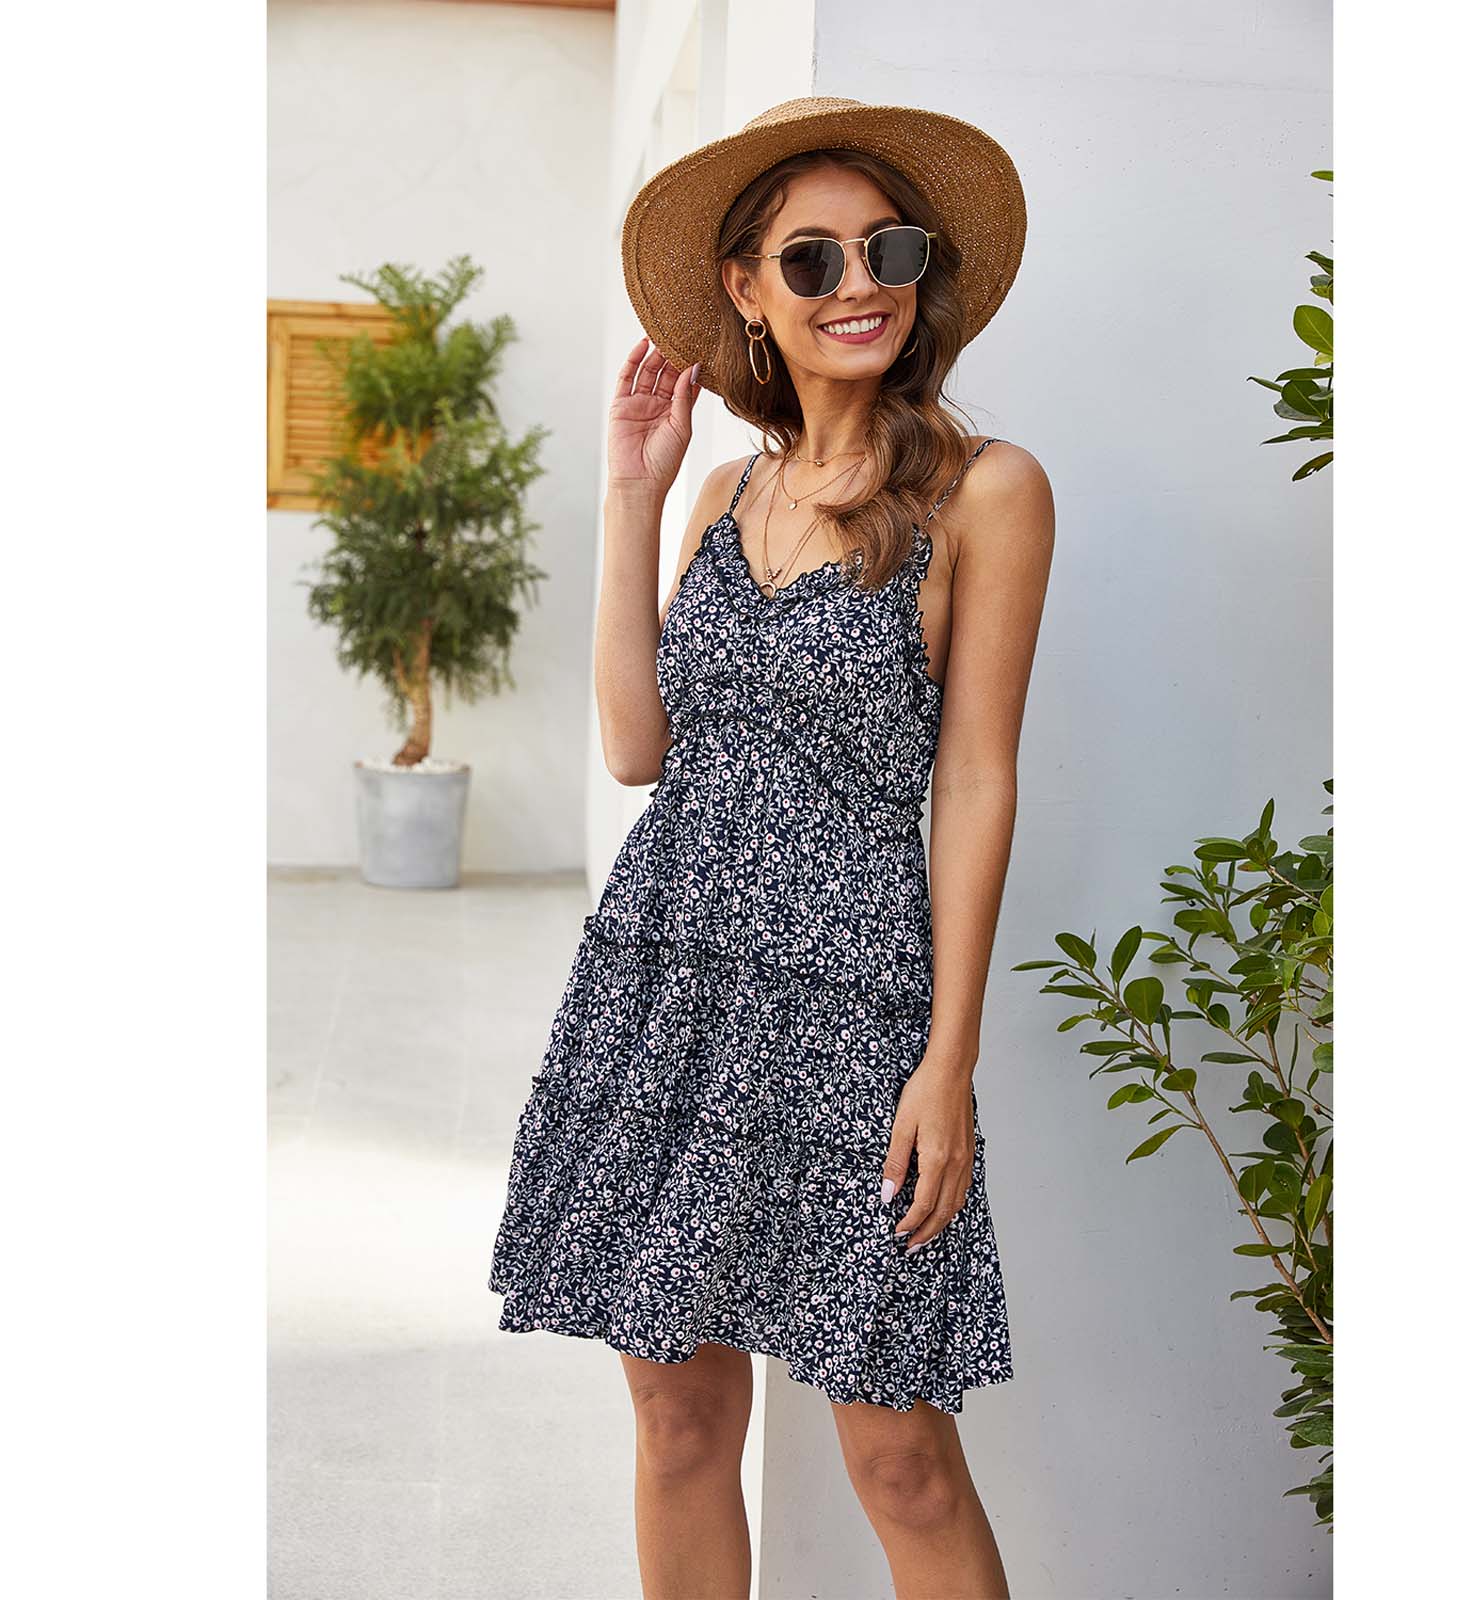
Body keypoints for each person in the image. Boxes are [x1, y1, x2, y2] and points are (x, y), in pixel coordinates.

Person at [490, 96, 1054, 1600]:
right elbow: (639, 748)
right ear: (747, 290)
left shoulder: (986, 490)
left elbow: (977, 778)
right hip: (668, 984)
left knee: (899, 1456)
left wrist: (948, 1058)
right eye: (812, 258)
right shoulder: (725, 492)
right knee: (679, 1420)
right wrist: (633, 487)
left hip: (854, 1002)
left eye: (889, 250)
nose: (858, 283)